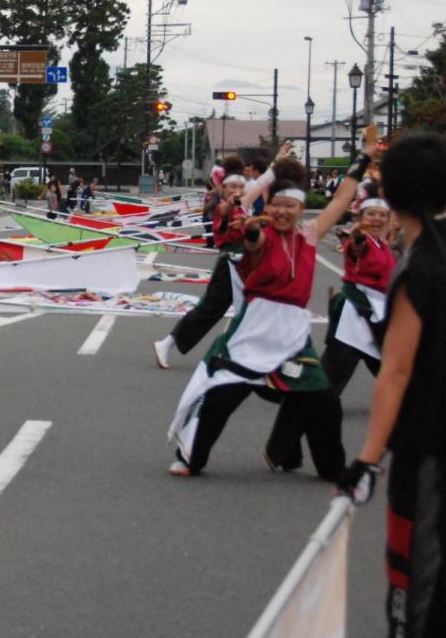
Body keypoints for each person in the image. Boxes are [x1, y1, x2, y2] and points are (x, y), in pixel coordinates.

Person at [335, 133, 446, 636]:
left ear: (392, 196)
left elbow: (397, 370)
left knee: (420, 583)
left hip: (428, 452)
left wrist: (367, 457)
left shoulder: (418, 267)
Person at [166, 147, 369, 478]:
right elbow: (252, 240)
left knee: (323, 401)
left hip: (291, 336)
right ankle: (191, 457)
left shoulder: (309, 234)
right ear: (269, 207)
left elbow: (340, 200)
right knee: (221, 395)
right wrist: (249, 229)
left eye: (290, 207)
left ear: (301, 209)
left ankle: (332, 469)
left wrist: (363, 160)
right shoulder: (263, 234)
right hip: (254, 331)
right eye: (277, 206)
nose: (283, 212)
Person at [265, 188, 394, 471]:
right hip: (355, 322)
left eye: (382, 215)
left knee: (401, 382)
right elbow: (355, 246)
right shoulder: (359, 240)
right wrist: (357, 235)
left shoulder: (384, 244)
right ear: (360, 216)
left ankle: (415, 445)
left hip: (378, 322)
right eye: (371, 214)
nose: (376, 219)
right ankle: (281, 448)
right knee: (321, 389)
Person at [152, 145, 293, 369]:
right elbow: (226, 210)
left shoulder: (245, 204)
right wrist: (232, 202)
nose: (237, 190)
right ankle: (168, 343)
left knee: (255, 306)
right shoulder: (222, 207)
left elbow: (262, 181)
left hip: (247, 264)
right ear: (223, 189)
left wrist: (277, 160)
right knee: (212, 309)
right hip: (230, 265)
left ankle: (257, 355)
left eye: (240, 186)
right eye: (232, 187)